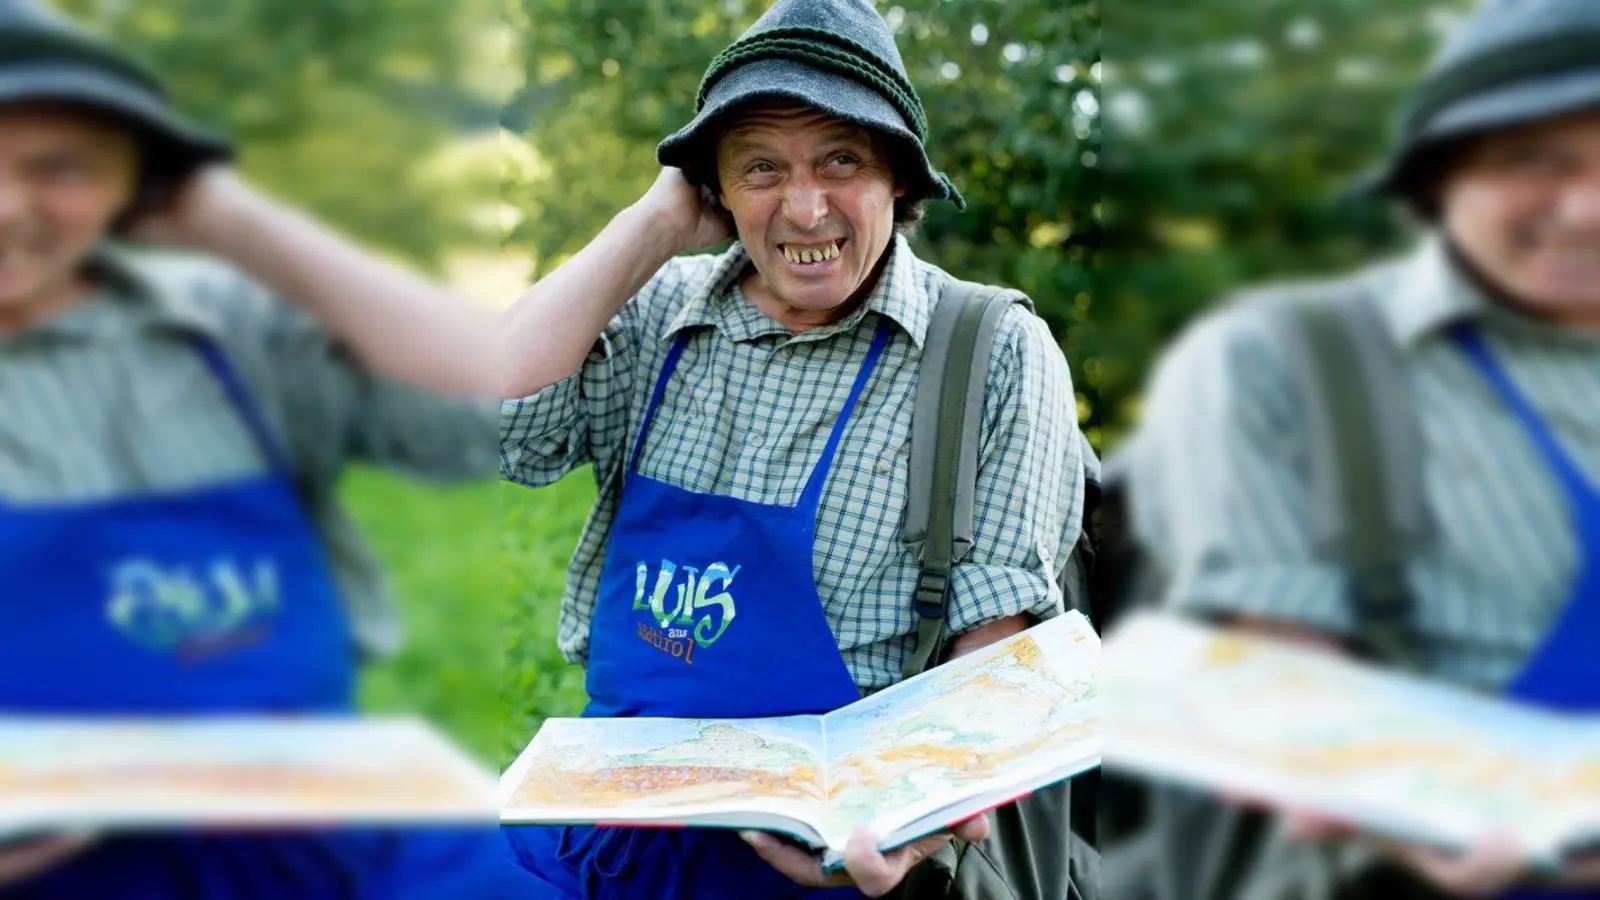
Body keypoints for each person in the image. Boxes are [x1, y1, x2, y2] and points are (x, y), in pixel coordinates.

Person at [496, 0, 1087, 896]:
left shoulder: (990, 352)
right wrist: (649, 227)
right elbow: (497, 424)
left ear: (899, 177)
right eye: (760, 167)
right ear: (716, 190)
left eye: (842, 161)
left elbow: (994, 659)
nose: (805, 211)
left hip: (845, 860)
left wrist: (912, 824)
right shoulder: (661, 312)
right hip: (613, 844)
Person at [0, 2, 505, 896]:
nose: (8, 208)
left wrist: (235, 222)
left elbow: (490, 421)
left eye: (61, 167)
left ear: (134, 181)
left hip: (321, 853)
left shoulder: (228, 326)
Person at [1116, 0, 1600, 896]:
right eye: (1534, 158)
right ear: (1436, 182)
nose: (1585, 207)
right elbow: (1296, 696)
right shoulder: (1283, 364)